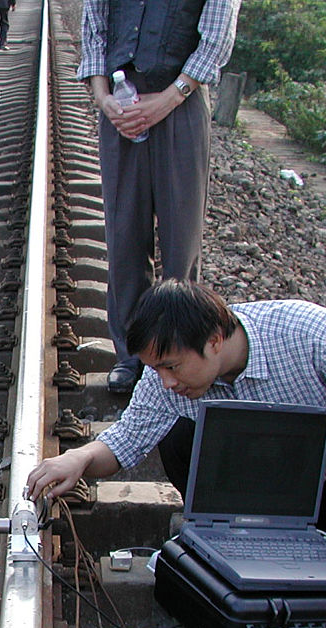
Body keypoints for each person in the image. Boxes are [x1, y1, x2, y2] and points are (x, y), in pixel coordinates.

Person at [25, 280, 326, 573]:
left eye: (172, 367)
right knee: (179, 433)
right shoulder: (167, 379)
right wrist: (78, 459)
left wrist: (313, 465)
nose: (166, 381)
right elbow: (128, 439)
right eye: (156, 369)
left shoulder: (309, 332)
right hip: (249, 493)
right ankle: (229, 548)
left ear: (215, 340)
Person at [78, 0, 240, 393]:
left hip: (180, 103)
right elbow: (95, 28)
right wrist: (104, 98)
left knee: (181, 242)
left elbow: (216, 39)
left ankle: (180, 352)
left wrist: (168, 98)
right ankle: (131, 354)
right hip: (121, 104)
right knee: (124, 237)